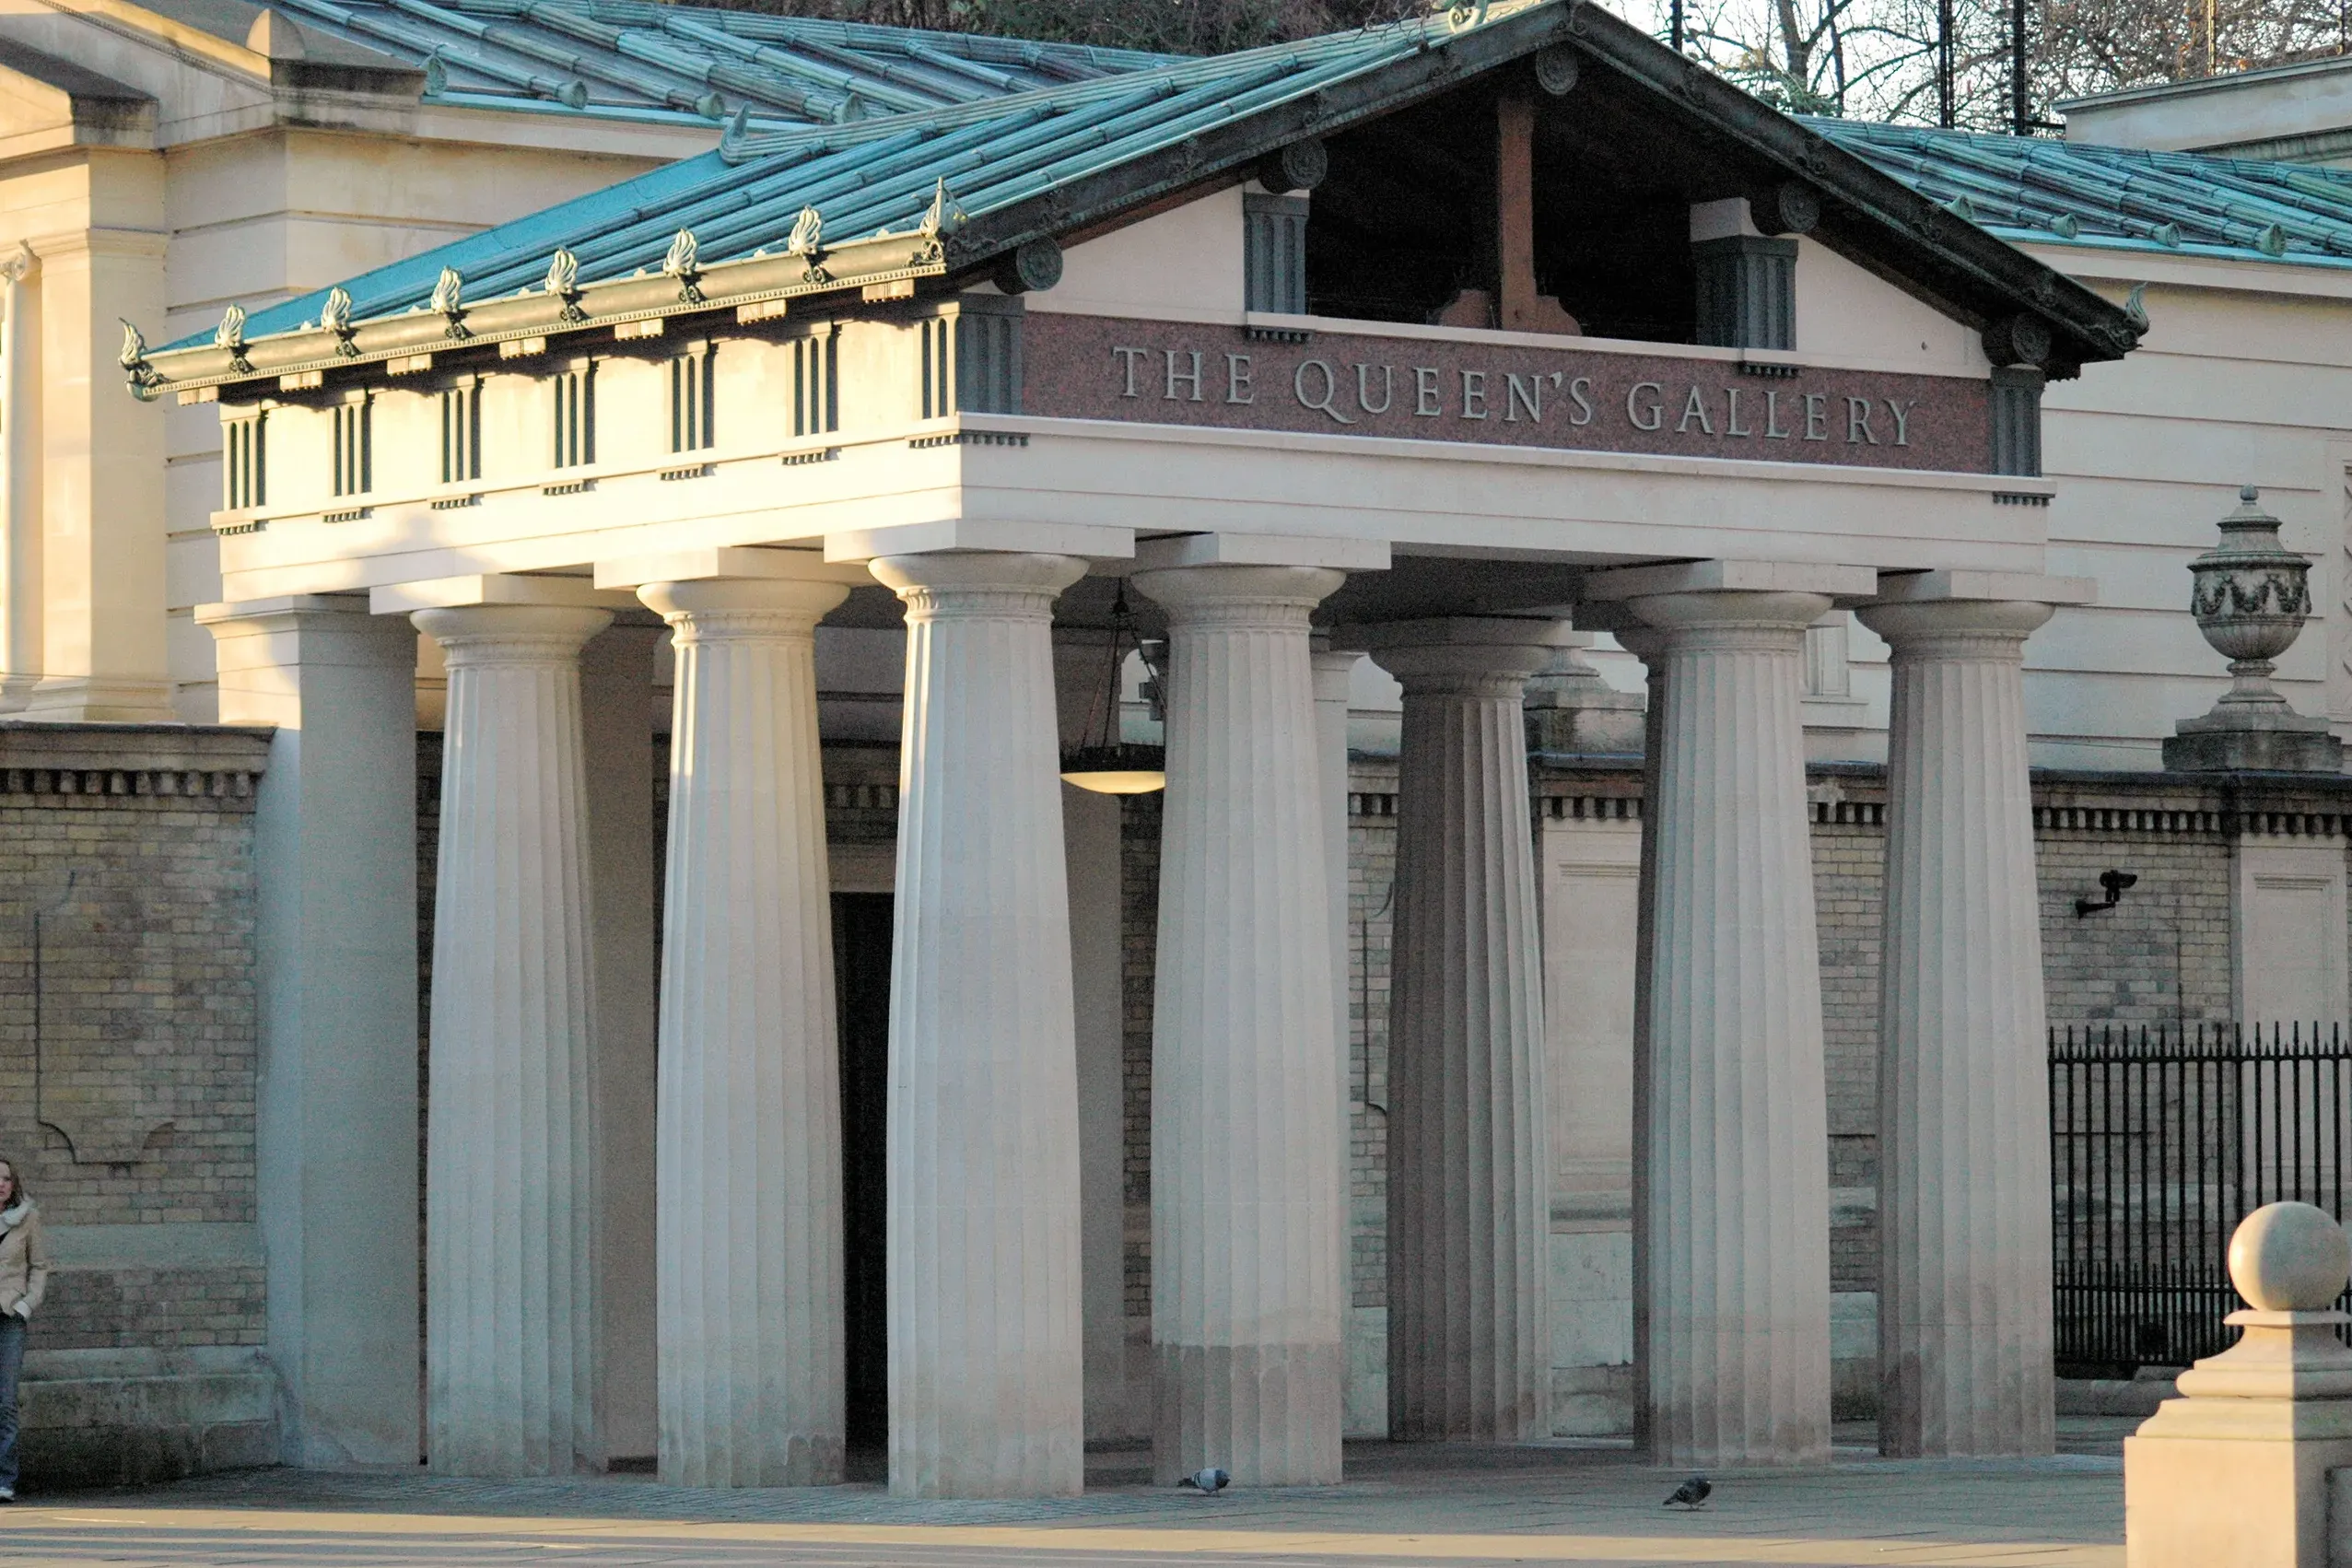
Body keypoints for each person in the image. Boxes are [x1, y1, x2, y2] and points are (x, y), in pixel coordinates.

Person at [0, 1154, 50, 1504]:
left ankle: (4, 1479)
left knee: (5, 1401)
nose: (0, 1184)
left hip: (9, 1319)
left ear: (13, 1185)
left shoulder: (27, 1219)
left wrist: (26, 1304)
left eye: (5, 1179)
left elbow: (40, 1265)